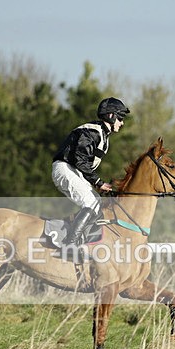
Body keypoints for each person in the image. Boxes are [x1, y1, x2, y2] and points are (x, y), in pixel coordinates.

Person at [52, 97, 130, 248]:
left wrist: (97, 184)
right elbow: (80, 160)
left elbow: (84, 165)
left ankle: (79, 239)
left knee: (97, 203)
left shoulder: (104, 136)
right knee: (91, 202)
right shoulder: (92, 132)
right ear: (111, 116)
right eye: (120, 118)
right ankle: (70, 244)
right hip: (65, 168)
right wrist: (98, 182)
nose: (122, 123)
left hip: (74, 171)